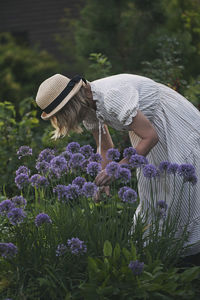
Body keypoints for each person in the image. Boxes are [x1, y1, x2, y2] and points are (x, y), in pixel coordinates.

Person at [35, 73, 200, 257]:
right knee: (155, 190)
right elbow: (104, 147)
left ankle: (189, 255)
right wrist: (104, 179)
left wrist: (117, 169)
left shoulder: (112, 96)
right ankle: (164, 253)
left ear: (70, 106)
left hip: (169, 121)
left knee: (183, 185)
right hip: (147, 132)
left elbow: (151, 137)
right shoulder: (88, 106)